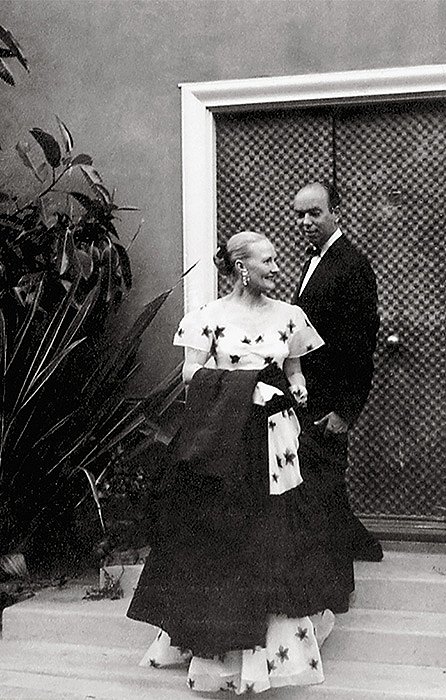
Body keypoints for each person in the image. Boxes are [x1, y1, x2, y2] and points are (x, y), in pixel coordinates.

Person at [127, 231, 355, 695]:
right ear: (241, 268)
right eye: (268, 261)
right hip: (226, 445)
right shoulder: (208, 319)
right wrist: (245, 381)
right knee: (230, 539)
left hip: (279, 444)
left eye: (277, 259)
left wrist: (298, 384)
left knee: (278, 533)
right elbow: (191, 373)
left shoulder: (290, 317)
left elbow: (293, 368)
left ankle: (275, 652)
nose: (277, 268)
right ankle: (221, 649)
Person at [293, 181, 383, 562]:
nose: (307, 221)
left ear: (336, 214)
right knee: (319, 478)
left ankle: (352, 551)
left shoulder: (351, 264)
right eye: (300, 214)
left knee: (324, 477)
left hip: (331, 395)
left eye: (315, 213)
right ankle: (356, 546)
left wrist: (347, 410)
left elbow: (362, 344)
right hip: (309, 390)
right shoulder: (315, 260)